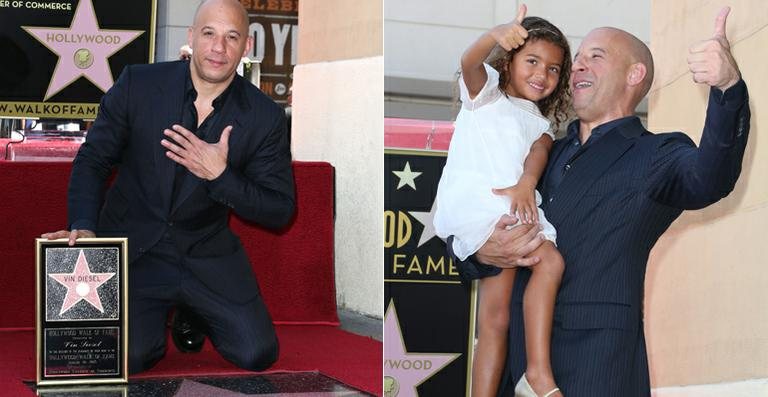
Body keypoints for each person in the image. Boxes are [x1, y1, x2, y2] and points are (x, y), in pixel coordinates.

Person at [451, 6, 749, 396]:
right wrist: (482, 253)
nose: (577, 67)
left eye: (596, 56)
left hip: (597, 371)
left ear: (634, 74)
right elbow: (476, 220)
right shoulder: (539, 153)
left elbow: (712, 178)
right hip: (514, 372)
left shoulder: (655, 152)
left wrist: (727, 89)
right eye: (576, 61)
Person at [42, 0, 295, 374]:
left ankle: (193, 313)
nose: (219, 48)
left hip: (205, 254)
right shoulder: (138, 84)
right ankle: (160, 319)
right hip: (135, 248)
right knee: (127, 357)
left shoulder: (265, 117)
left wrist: (220, 176)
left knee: (257, 353)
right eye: (209, 33)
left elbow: (279, 211)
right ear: (191, 37)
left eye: (232, 37)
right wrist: (85, 226)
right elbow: (93, 160)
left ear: (247, 47)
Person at [434, 6, 568, 397]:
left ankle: (533, 374)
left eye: (554, 68)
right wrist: (495, 34)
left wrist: (528, 183)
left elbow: (538, 153)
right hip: (483, 209)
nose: (542, 74)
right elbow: (468, 60)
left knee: (496, 320)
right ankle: (538, 373)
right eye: (532, 61)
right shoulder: (485, 95)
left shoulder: (541, 125)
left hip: (513, 213)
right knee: (501, 313)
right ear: (507, 63)